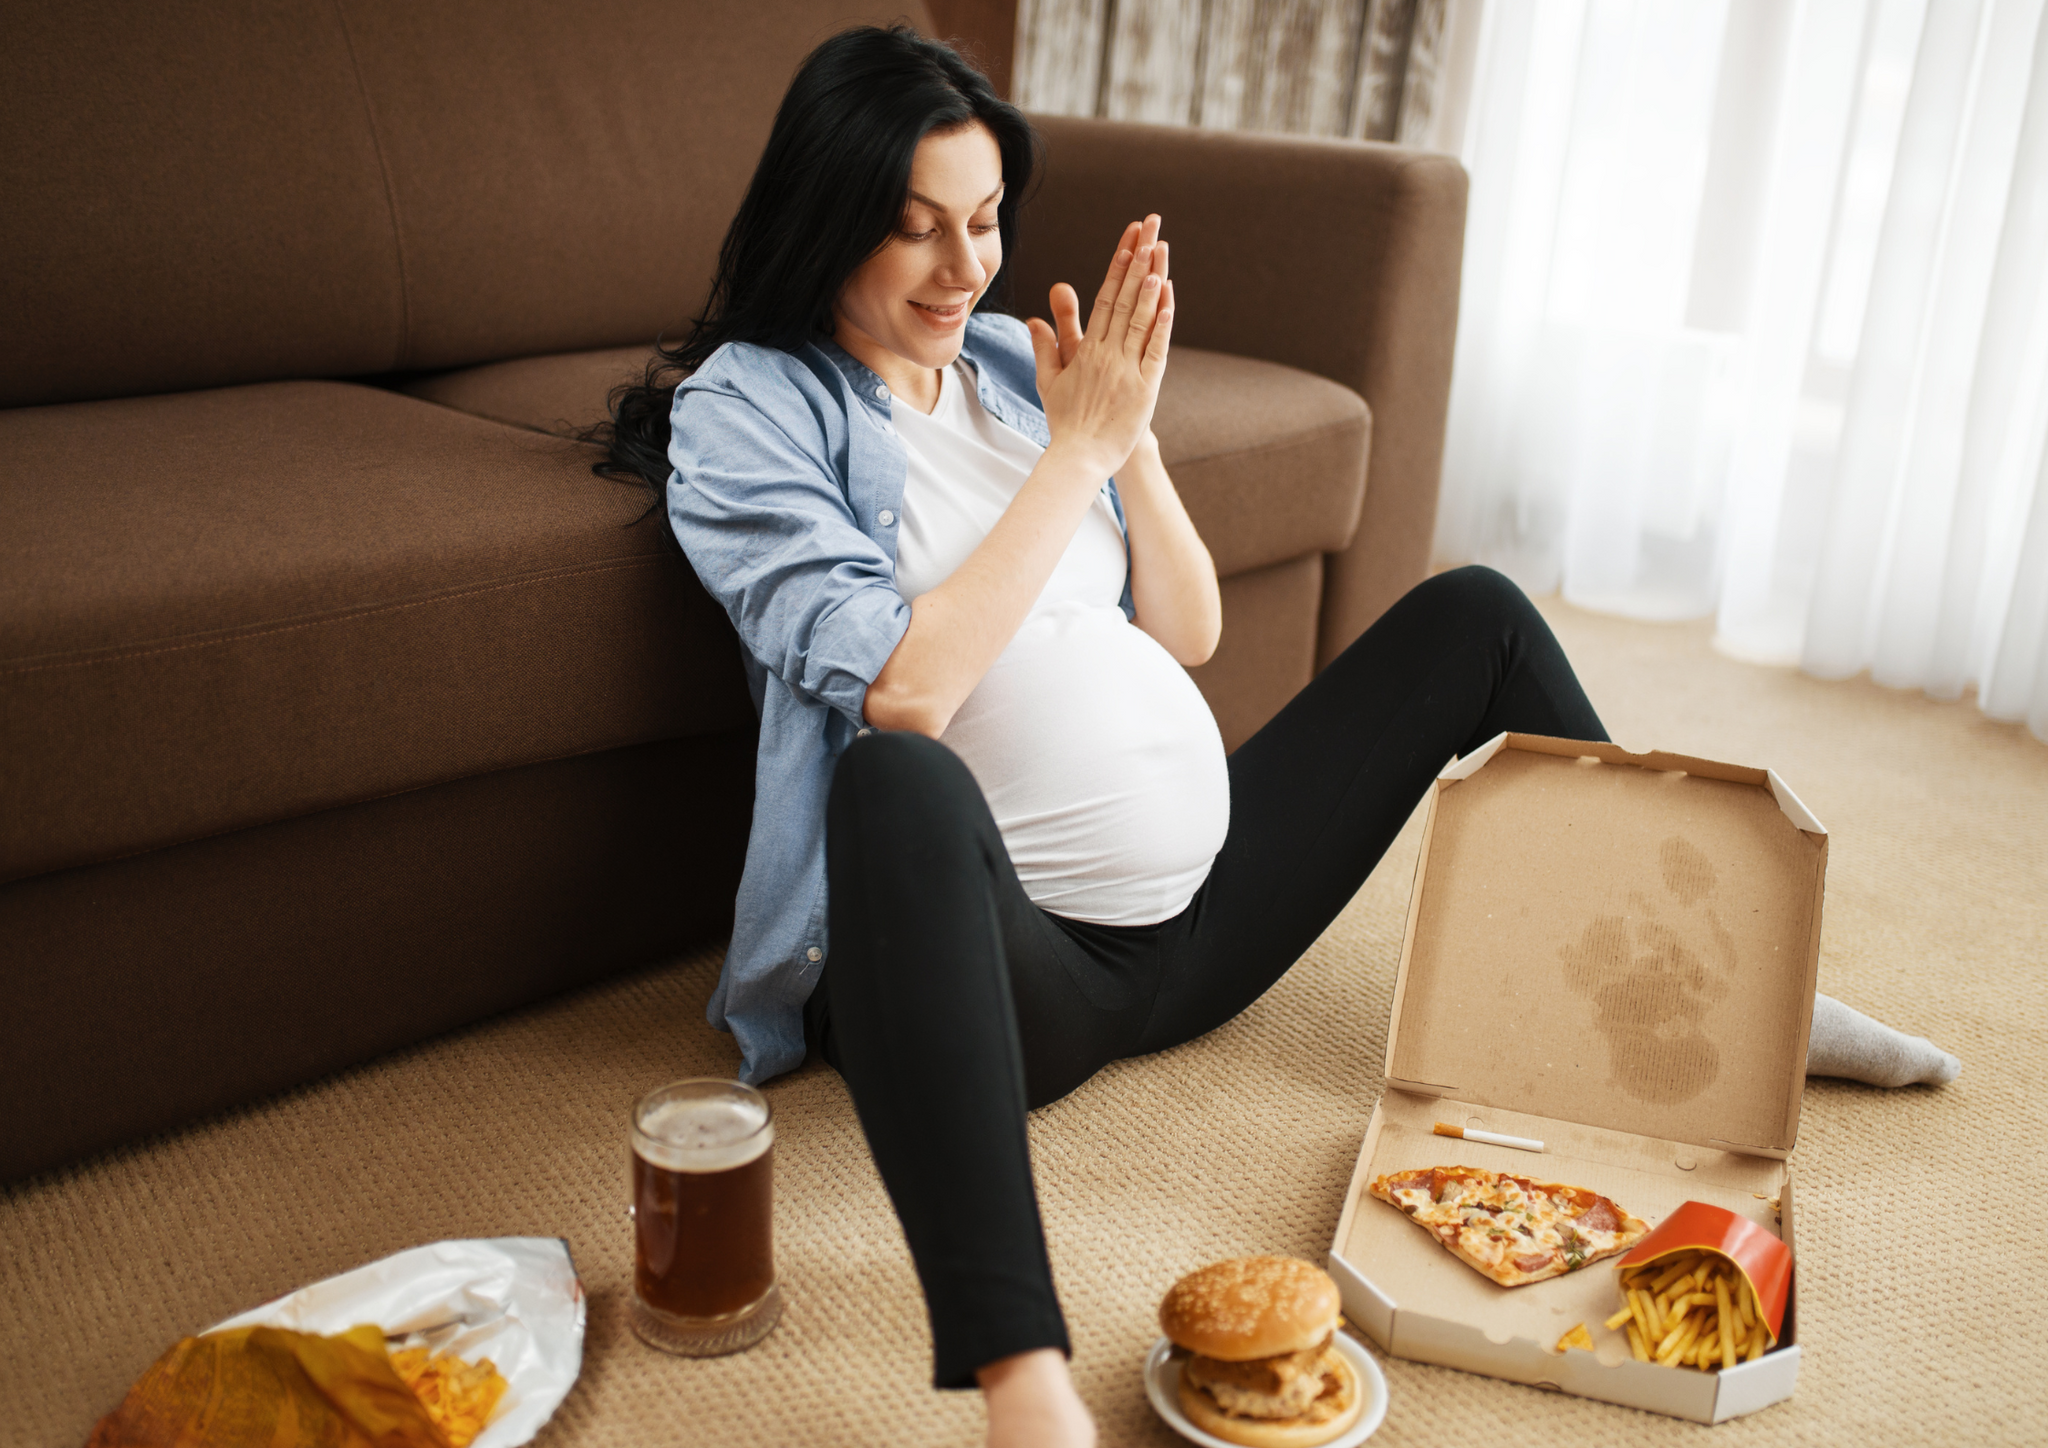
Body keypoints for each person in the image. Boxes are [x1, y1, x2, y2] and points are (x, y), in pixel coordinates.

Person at [594, 26, 1957, 1446]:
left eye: (987, 221)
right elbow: (909, 692)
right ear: (827, 216)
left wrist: (1132, 441)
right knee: (895, 777)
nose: (964, 268)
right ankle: (1024, 1386)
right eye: (915, 228)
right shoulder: (752, 410)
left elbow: (1184, 628)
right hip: (1004, 983)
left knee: (1477, 614)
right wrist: (1072, 456)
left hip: (1195, 935)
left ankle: (1747, 1011)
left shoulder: (1007, 362)